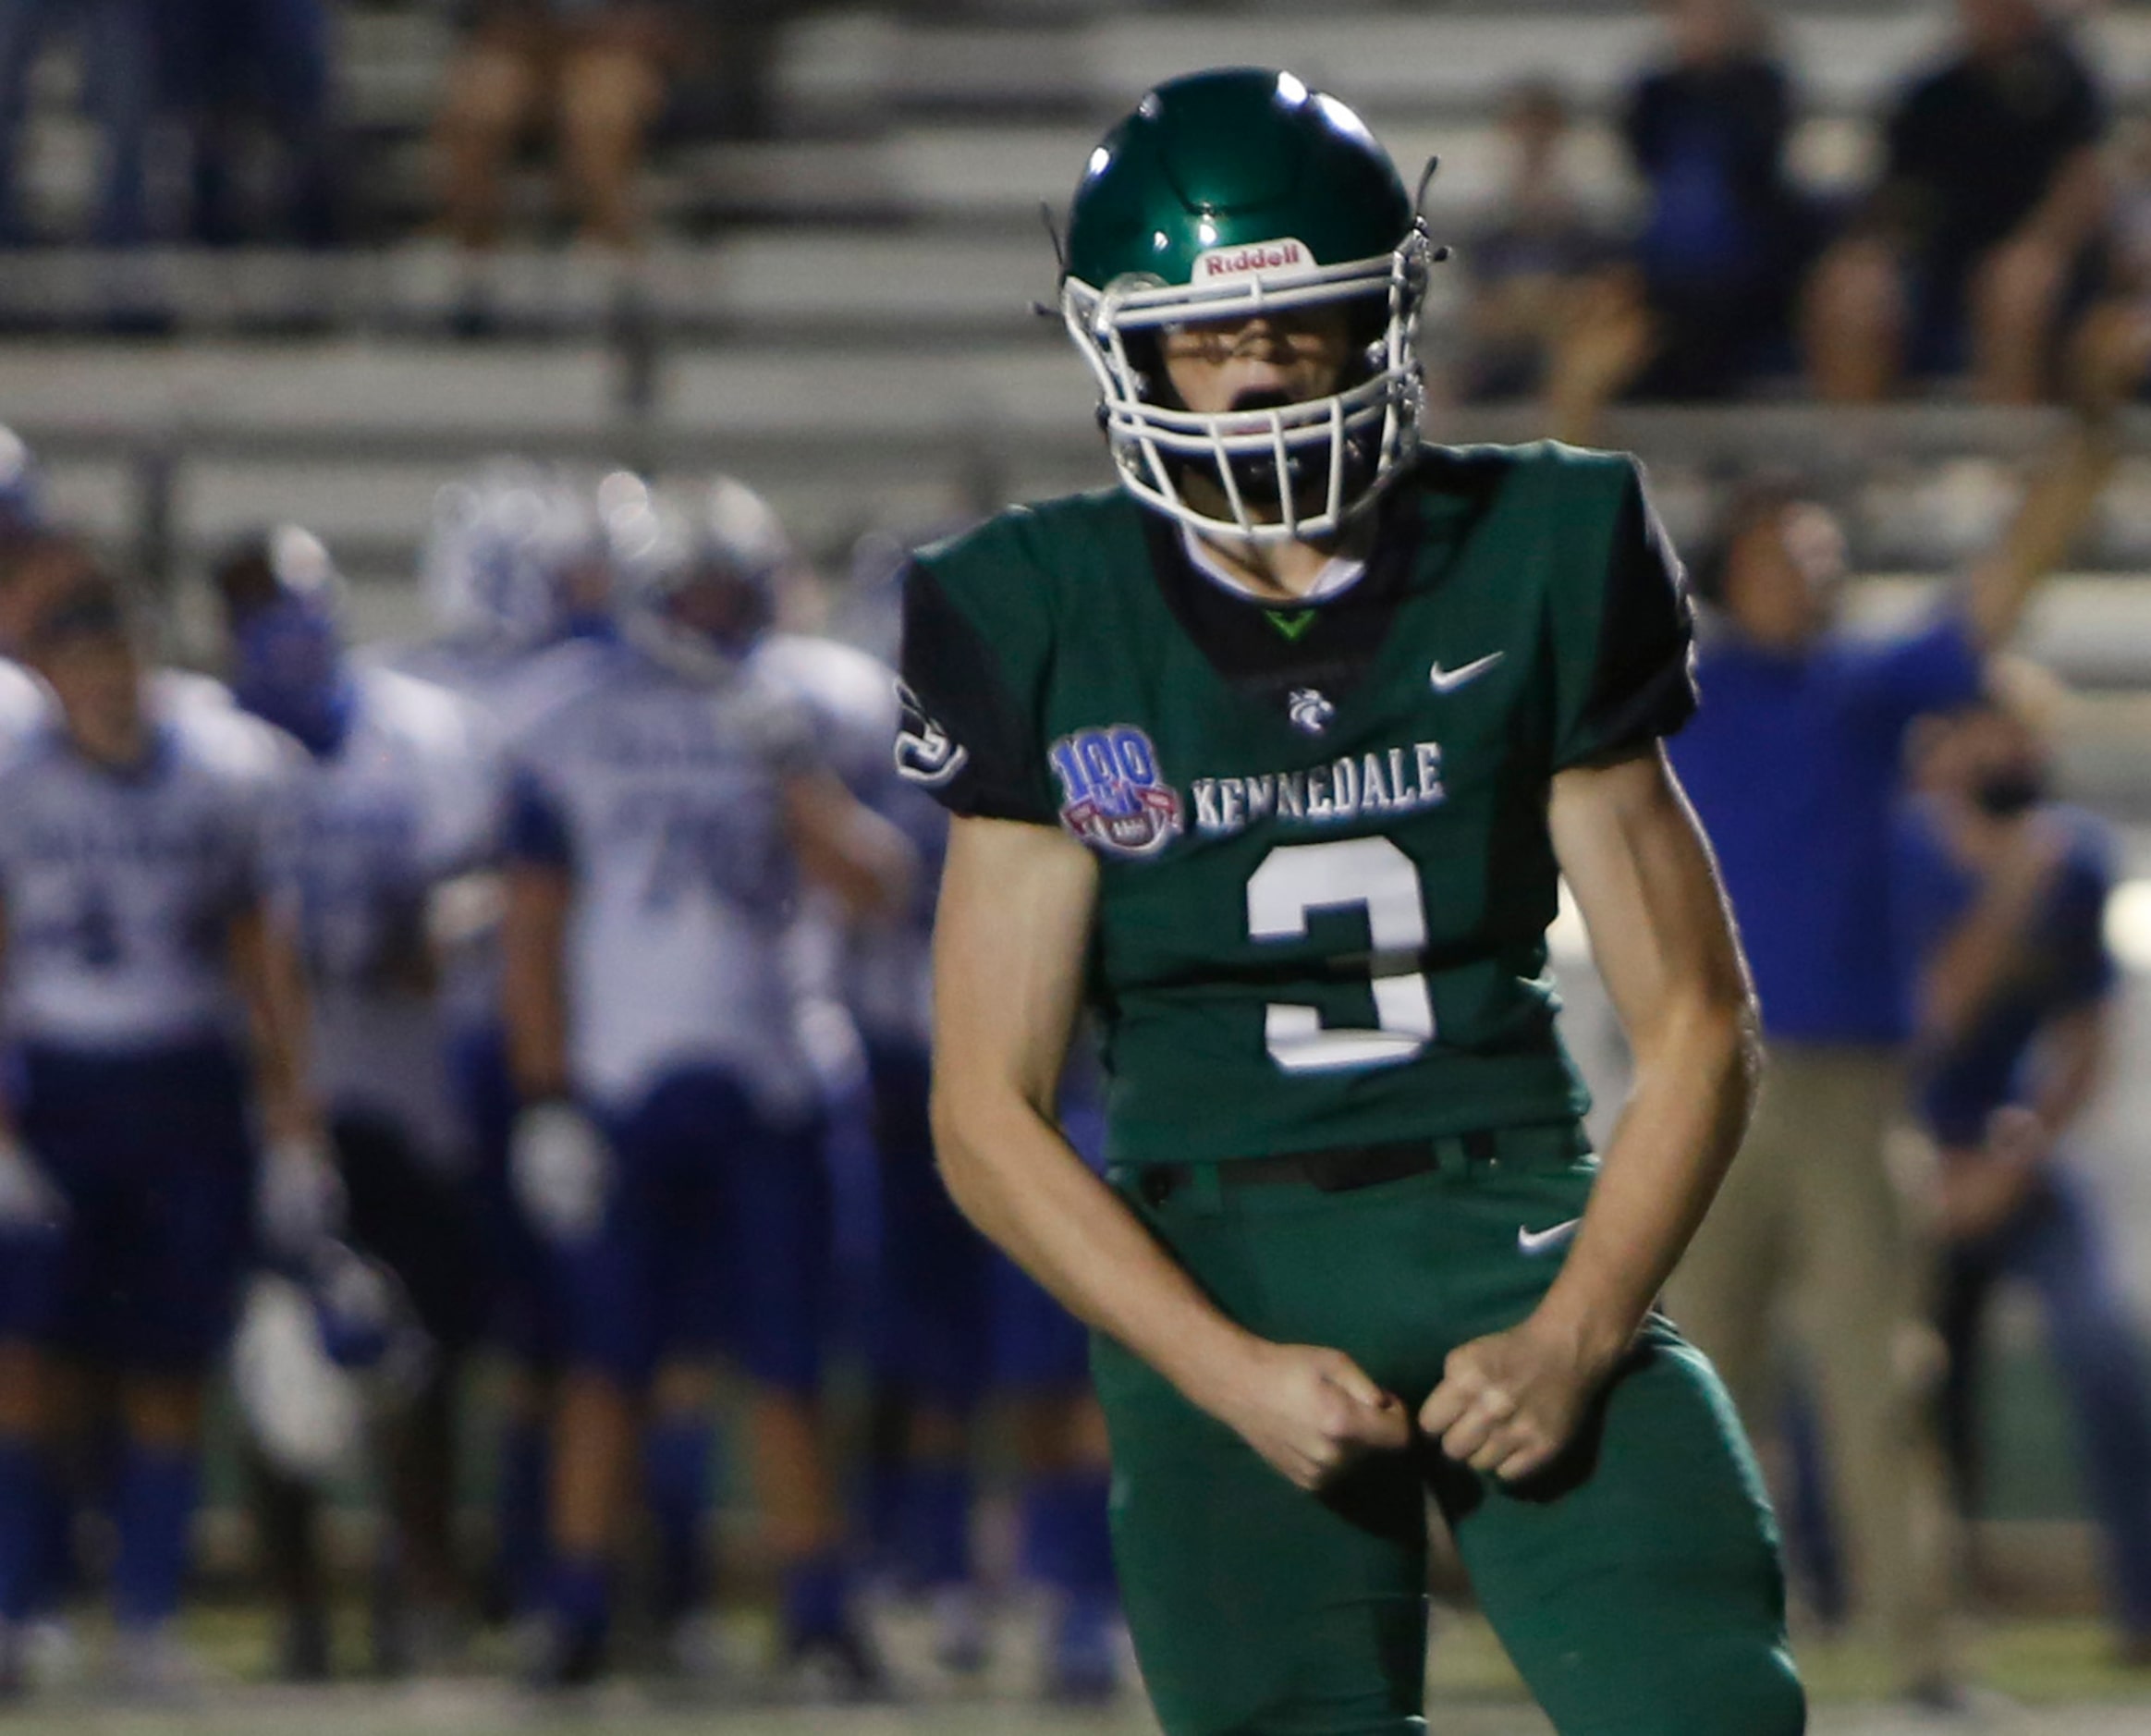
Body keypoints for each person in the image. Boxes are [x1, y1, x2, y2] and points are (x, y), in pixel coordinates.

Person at [898, 67, 1803, 1736]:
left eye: (1303, 318)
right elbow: (984, 1111)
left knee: (1706, 1708)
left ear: (1377, 313)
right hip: (1213, 1253)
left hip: (1509, 1220)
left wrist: (1574, 1330)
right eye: (1208, 332)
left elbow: (1695, 1023)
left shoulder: (1544, 534)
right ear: (1128, 345)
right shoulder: (1033, 606)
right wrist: (1218, 1365)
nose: (1256, 363)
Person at [1662, 334, 2137, 1700]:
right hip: (1704, 1071)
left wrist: (2090, 442)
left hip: (1851, 1085)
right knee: (1697, 1380)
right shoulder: (1677, 690)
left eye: (1819, 551)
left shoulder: (1859, 694)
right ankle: (1704, 1645)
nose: (1809, 570)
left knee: (1881, 1379)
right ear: (1728, 567)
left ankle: (1920, 1646)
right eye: (1782, 549)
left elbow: (1996, 594)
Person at [499, 477, 914, 1691]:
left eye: (733, 587)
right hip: (622, 1079)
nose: (716, 608)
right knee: (603, 1361)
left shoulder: (807, 705)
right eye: (696, 587)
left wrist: (795, 776)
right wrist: (543, 1097)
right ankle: (577, 1605)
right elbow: (532, 926)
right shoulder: (568, 718)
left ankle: (819, 1606)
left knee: (784, 1366)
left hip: (778, 1074)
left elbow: (878, 887)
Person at [759, 593, 1124, 1704]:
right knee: (928, 1357)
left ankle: (1076, 1596)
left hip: (1041, 1079)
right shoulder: (874, 764)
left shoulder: (1072, 752)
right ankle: (948, 1574)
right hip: (904, 1081)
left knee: (1053, 1363)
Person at [0, 546, 335, 1701]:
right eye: (79, 658)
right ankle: (23, 1609)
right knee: (28, 1366)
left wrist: (295, 1126)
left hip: (185, 1090)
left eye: (119, 653)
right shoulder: (16, 779)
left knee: (168, 1365)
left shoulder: (223, 770)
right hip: (57, 1084)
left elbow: (263, 956)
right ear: (48, 673)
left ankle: (144, 1617)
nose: (105, 679)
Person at [214, 525, 499, 1679]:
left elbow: (492, 877)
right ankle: (302, 1611)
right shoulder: (212, 750)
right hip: (269, 1105)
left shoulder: (417, 733)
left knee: (416, 1358)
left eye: (301, 608)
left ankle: (421, 1588)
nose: (291, 637)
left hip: (402, 1087)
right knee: (278, 1360)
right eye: (261, 617)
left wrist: (430, 925)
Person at [1896, 687, 2151, 1668]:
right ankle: (1872, 1609)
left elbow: (2085, 1037)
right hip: (1898, 1159)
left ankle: (2138, 1610)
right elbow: (1917, 1033)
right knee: (1882, 1388)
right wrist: (2002, 897)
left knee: (2102, 1349)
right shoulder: (1899, 847)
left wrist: (2018, 1151)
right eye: (1989, 729)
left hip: (2014, 1160)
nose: (2010, 750)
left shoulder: (2075, 858)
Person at [1804, 0, 2108, 403]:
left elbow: (2081, 184)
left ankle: (2007, 450)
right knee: (1850, 290)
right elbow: (1902, 194)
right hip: (1939, 263)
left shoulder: (2066, 85)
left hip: (2043, 262)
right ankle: (1860, 452)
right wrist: (1876, 253)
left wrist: (2040, 246)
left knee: (2014, 289)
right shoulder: (1936, 94)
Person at [1619, 0, 1819, 398]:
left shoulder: (1760, 87)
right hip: (1674, 259)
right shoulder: (1656, 93)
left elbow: (1760, 164)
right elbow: (1647, 162)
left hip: (1750, 260)